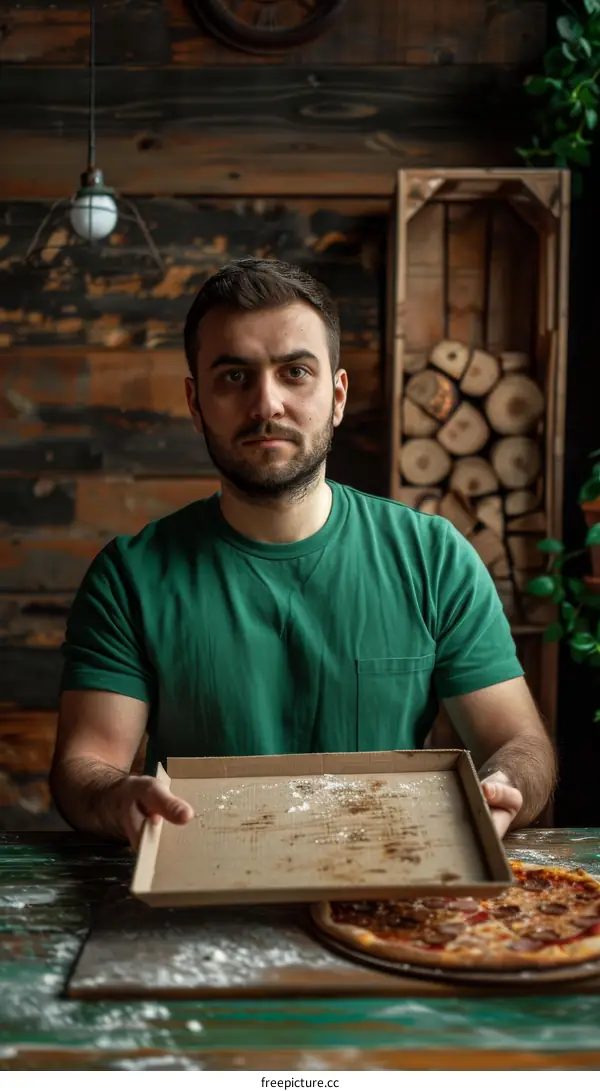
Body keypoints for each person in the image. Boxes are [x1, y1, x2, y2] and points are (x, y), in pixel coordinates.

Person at [50, 258, 556, 849]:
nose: (267, 405)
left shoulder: (433, 558)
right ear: (195, 403)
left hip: (392, 883)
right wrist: (116, 798)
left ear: (337, 396)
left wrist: (504, 783)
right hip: (202, 890)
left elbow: (520, 742)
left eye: (294, 372)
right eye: (234, 377)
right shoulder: (130, 576)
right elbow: (84, 765)